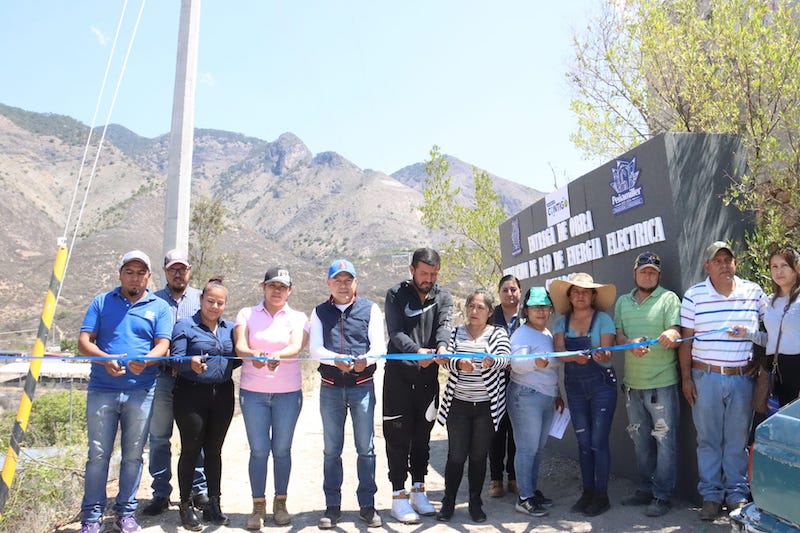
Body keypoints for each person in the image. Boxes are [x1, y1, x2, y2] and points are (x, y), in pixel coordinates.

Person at [77, 250, 172, 533]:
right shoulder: (101, 302)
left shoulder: (160, 306)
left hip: (141, 392)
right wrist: (104, 359)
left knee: (133, 455)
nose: (135, 277)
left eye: (140, 272)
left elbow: (162, 344)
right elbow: (84, 341)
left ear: (149, 276)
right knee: (97, 455)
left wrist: (148, 360)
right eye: (129, 271)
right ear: (120, 274)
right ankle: (92, 517)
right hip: (102, 390)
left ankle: (125, 513)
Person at [679, 241, 765, 521]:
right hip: (705, 377)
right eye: (717, 261)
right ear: (707, 266)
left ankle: (737, 496)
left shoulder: (753, 292)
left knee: (737, 440)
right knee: (708, 440)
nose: (724, 265)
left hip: (742, 378)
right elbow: (685, 341)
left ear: (735, 264)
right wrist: (686, 378)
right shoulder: (694, 296)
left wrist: (761, 361)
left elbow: (774, 327)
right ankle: (711, 497)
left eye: (728, 260)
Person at [310, 259, 385, 529]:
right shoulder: (318, 312)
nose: (343, 285)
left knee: (366, 448)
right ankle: (332, 506)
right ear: (328, 283)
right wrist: (335, 360)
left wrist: (366, 358)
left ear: (355, 282)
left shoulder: (371, 309)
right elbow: (316, 349)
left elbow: (379, 345)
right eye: (337, 280)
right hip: (330, 389)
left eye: (348, 280)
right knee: (332, 450)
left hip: (362, 387)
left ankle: (368, 505)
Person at [234, 267, 308, 529]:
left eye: (283, 286)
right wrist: (253, 354)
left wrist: (280, 356)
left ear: (290, 290)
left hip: (288, 393)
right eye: (272, 285)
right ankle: (257, 506)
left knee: (282, 450)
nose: (277, 290)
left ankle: (280, 502)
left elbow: (296, 345)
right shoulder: (246, 314)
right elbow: (240, 346)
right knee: (258, 451)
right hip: (253, 394)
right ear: (263, 287)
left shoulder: (298, 317)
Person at [383, 247, 453, 523]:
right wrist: (417, 353)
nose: (429, 279)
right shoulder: (395, 294)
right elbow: (395, 332)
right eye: (424, 273)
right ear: (412, 270)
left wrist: (443, 347)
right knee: (398, 439)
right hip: (398, 379)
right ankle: (398, 497)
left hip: (428, 381)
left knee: (422, 438)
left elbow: (444, 327)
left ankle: (419, 491)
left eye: (434, 274)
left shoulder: (443, 296)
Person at [613, 252, 681, 517]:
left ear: (659, 275)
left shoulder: (668, 298)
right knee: (640, 442)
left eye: (653, 271)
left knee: (665, 442)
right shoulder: (622, 302)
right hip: (633, 386)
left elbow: (676, 332)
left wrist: (671, 333)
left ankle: (662, 496)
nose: (648, 275)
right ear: (635, 273)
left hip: (662, 384)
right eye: (644, 271)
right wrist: (630, 343)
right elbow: (619, 334)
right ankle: (644, 490)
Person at [434, 289, 510, 523]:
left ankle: (475, 502)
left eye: (480, 307)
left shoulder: (498, 334)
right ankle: (448, 501)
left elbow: (506, 358)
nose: (474, 311)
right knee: (456, 456)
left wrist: (491, 361)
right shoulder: (455, 333)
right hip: (458, 406)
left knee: (478, 456)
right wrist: (459, 363)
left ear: (489, 312)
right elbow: (447, 360)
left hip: (487, 408)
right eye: (471, 306)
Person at [170, 278, 240, 530]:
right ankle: (185, 506)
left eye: (220, 303)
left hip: (222, 394)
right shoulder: (184, 326)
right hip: (191, 395)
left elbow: (237, 358)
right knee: (190, 449)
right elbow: (174, 359)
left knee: (214, 451)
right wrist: (190, 363)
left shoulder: (230, 328)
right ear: (201, 300)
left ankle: (214, 504)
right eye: (210, 301)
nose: (214, 306)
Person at [144, 249, 207, 516]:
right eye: (173, 269)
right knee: (159, 437)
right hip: (161, 377)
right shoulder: (152, 300)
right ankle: (160, 493)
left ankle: (198, 489)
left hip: (192, 380)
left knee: (195, 436)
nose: (178, 273)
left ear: (189, 270)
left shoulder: (200, 299)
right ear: (165, 271)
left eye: (182, 268)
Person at [551, 272, 617, 517]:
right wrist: (573, 357)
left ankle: (602, 495)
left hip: (602, 385)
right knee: (583, 442)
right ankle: (587, 492)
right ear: (569, 296)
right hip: (575, 388)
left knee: (598, 442)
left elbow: (608, 353)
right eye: (575, 291)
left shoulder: (603, 320)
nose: (580, 295)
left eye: (585, 291)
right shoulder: (561, 322)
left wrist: (603, 356)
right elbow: (558, 352)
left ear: (593, 295)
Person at [507, 287, 562, 518]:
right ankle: (524, 498)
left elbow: (553, 368)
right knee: (527, 449)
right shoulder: (521, 334)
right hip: (525, 396)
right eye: (535, 307)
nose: (541, 311)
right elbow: (516, 363)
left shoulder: (547, 334)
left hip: (546, 397)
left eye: (545, 306)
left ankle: (530, 491)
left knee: (537, 449)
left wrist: (558, 393)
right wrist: (534, 362)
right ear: (526, 310)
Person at [731, 246, 800, 408]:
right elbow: (773, 340)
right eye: (774, 266)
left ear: (796, 268)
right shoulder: (770, 301)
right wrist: (747, 333)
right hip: (777, 369)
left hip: (797, 366)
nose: (779, 271)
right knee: (784, 425)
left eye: (784, 266)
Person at [489, 275, 521, 498]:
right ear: (499, 293)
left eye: (513, 289)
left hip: (521, 380)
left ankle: (514, 477)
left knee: (516, 432)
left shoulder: (527, 317)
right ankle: (496, 479)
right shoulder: (492, 317)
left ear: (520, 292)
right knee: (497, 432)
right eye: (505, 290)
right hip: (496, 381)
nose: (510, 294)